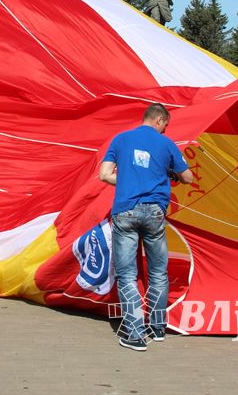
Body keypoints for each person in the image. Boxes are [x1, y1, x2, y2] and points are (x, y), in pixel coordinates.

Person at [99, 103, 193, 351]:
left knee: (127, 274)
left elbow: (104, 174)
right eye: (166, 125)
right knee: (158, 272)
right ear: (160, 120)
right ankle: (158, 327)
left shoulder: (120, 139)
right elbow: (189, 177)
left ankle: (134, 333)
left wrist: (130, 179)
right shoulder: (167, 144)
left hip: (126, 211)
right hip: (154, 212)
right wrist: (169, 173)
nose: (165, 130)